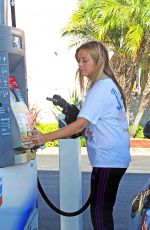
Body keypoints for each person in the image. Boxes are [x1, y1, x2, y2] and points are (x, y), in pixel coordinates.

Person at [32, 40, 131, 230]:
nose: (80, 65)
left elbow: (80, 125)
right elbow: (95, 125)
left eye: (85, 60)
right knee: (102, 209)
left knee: (100, 211)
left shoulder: (101, 88)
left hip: (108, 159)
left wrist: (44, 137)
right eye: (78, 60)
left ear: (98, 60)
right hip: (114, 158)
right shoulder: (109, 85)